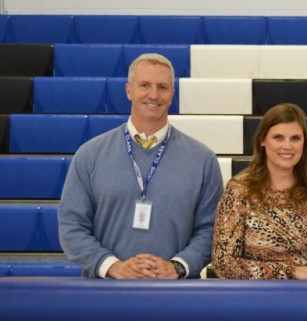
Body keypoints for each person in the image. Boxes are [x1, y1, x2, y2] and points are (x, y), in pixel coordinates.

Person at [58, 53, 224, 279]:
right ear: (129, 90)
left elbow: (212, 230)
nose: (153, 95)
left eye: (163, 87)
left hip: (178, 297)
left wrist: (176, 267)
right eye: (145, 85)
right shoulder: (89, 154)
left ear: (172, 94)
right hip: (104, 295)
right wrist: (115, 267)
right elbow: (71, 226)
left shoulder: (203, 159)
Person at [212, 103, 307, 279]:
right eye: (278, 137)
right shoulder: (239, 189)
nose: (287, 146)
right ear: (262, 140)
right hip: (259, 298)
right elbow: (223, 263)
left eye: (295, 138)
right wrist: (291, 272)